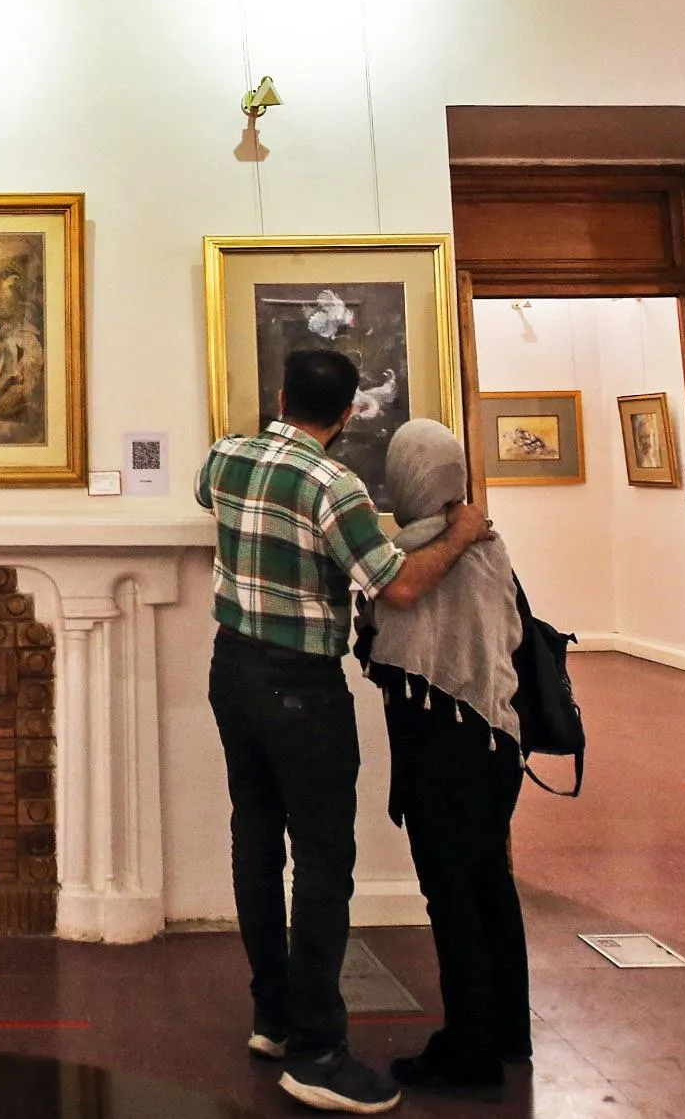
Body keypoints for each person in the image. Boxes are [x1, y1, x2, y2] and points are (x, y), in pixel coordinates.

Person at [197, 349, 493, 1116]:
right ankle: (317, 1051)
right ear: (348, 413)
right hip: (301, 686)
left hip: (231, 670)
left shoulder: (226, 456)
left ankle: (272, 1016)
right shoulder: (336, 485)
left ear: (280, 395)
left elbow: (208, 496)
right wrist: (460, 533)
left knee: (255, 840)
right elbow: (397, 585)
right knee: (323, 861)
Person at [356, 419, 531, 1100]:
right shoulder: (492, 544)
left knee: (450, 894)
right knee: (490, 885)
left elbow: (386, 644)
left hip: (441, 746)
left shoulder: (404, 557)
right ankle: (508, 1030)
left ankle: (469, 1051)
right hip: (498, 739)